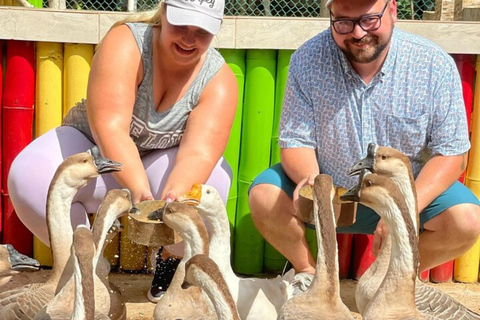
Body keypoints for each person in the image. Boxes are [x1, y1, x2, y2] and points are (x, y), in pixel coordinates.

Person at [7, 0, 237, 303]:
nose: (188, 38)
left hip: (160, 166)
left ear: (217, 27)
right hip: (96, 152)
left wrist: (169, 203)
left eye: (202, 30)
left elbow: (199, 155)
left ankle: (168, 261)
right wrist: (140, 192)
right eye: (181, 24)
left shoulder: (219, 80)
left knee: (212, 186)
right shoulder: (126, 42)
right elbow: (111, 128)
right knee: (29, 177)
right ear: (165, 11)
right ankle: (86, 265)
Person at [248, 0, 480, 296]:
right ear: (331, 16)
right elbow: (296, 142)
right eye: (344, 22)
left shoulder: (433, 63)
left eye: (370, 19)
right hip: (333, 191)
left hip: (408, 193)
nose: (358, 33)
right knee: (264, 196)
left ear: (392, 11)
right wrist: (312, 184)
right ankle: (310, 274)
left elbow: (452, 153)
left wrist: (404, 211)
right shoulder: (307, 58)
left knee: (467, 221)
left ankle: (389, 277)